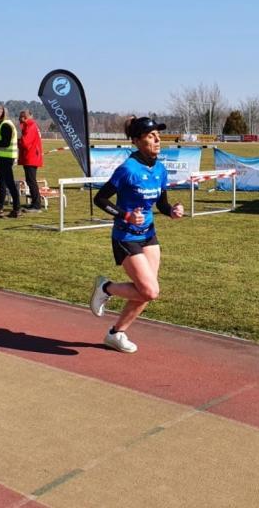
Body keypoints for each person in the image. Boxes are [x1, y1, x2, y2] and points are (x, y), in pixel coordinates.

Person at [90, 116, 184, 353]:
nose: (158, 140)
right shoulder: (128, 169)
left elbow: (161, 204)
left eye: (158, 136)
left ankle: (116, 333)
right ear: (136, 141)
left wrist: (172, 211)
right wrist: (126, 215)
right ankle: (106, 288)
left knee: (146, 291)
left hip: (149, 235)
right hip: (126, 237)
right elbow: (100, 199)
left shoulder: (160, 169)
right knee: (150, 291)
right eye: (151, 136)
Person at [17, 109, 43, 212]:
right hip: (30, 156)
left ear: (24, 117)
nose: (19, 119)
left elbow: (25, 143)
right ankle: (34, 203)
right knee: (30, 180)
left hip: (31, 157)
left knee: (31, 181)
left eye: (20, 117)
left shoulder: (30, 125)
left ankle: (36, 205)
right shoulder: (29, 125)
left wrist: (17, 141)